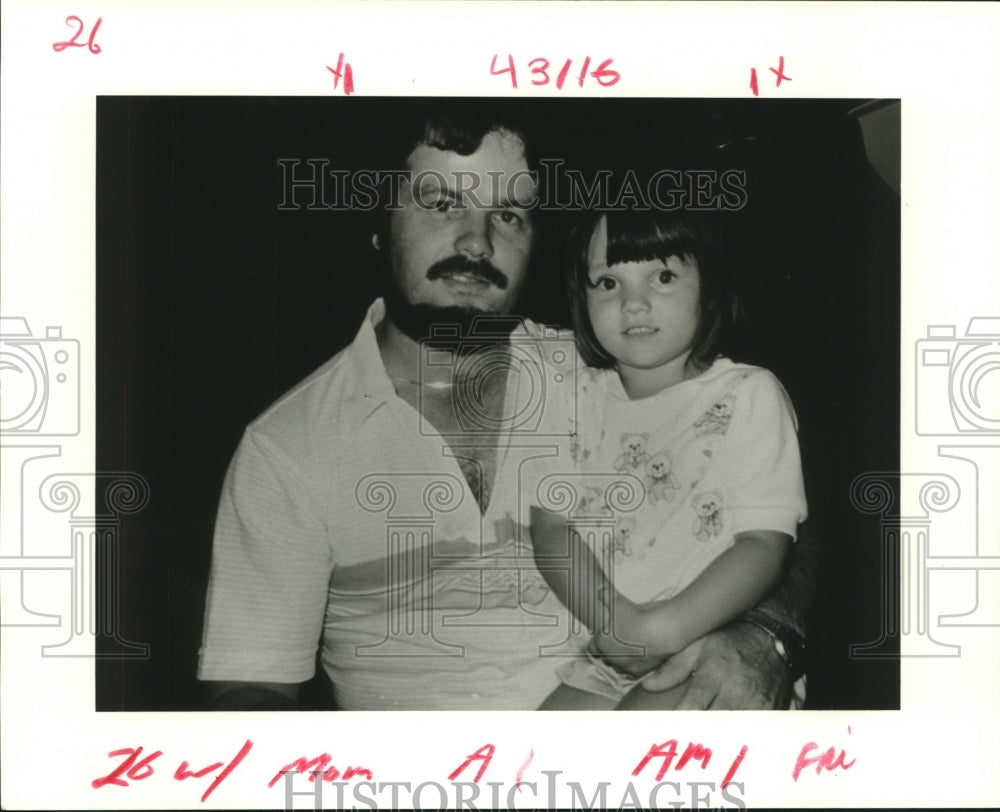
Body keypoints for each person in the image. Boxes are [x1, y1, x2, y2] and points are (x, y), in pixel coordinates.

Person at [197, 103, 815, 711]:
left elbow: (779, 517)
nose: (477, 240)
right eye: (442, 205)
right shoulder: (288, 446)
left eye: (510, 215)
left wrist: (769, 635)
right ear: (379, 224)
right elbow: (252, 689)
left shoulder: (612, 371)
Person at [530, 210, 807, 710]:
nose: (633, 303)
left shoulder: (747, 394)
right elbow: (551, 529)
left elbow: (765, 545)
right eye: (608, 282)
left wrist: (663, 628)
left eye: (663, 277)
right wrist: (617, 623)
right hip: (610, 648)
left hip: (709, 644)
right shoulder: (572, 398)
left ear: (709, 286)